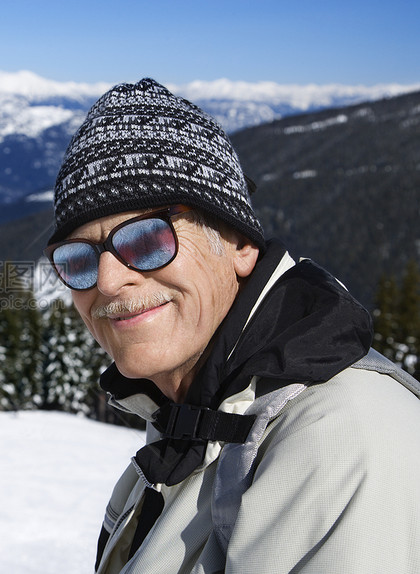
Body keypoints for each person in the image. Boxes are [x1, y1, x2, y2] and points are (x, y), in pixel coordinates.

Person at [43, 78, 420, 573]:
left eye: (147, 239)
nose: (109, 282)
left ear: (240, 243)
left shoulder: (343, 435)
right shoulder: (191, 431)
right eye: (78, 258)